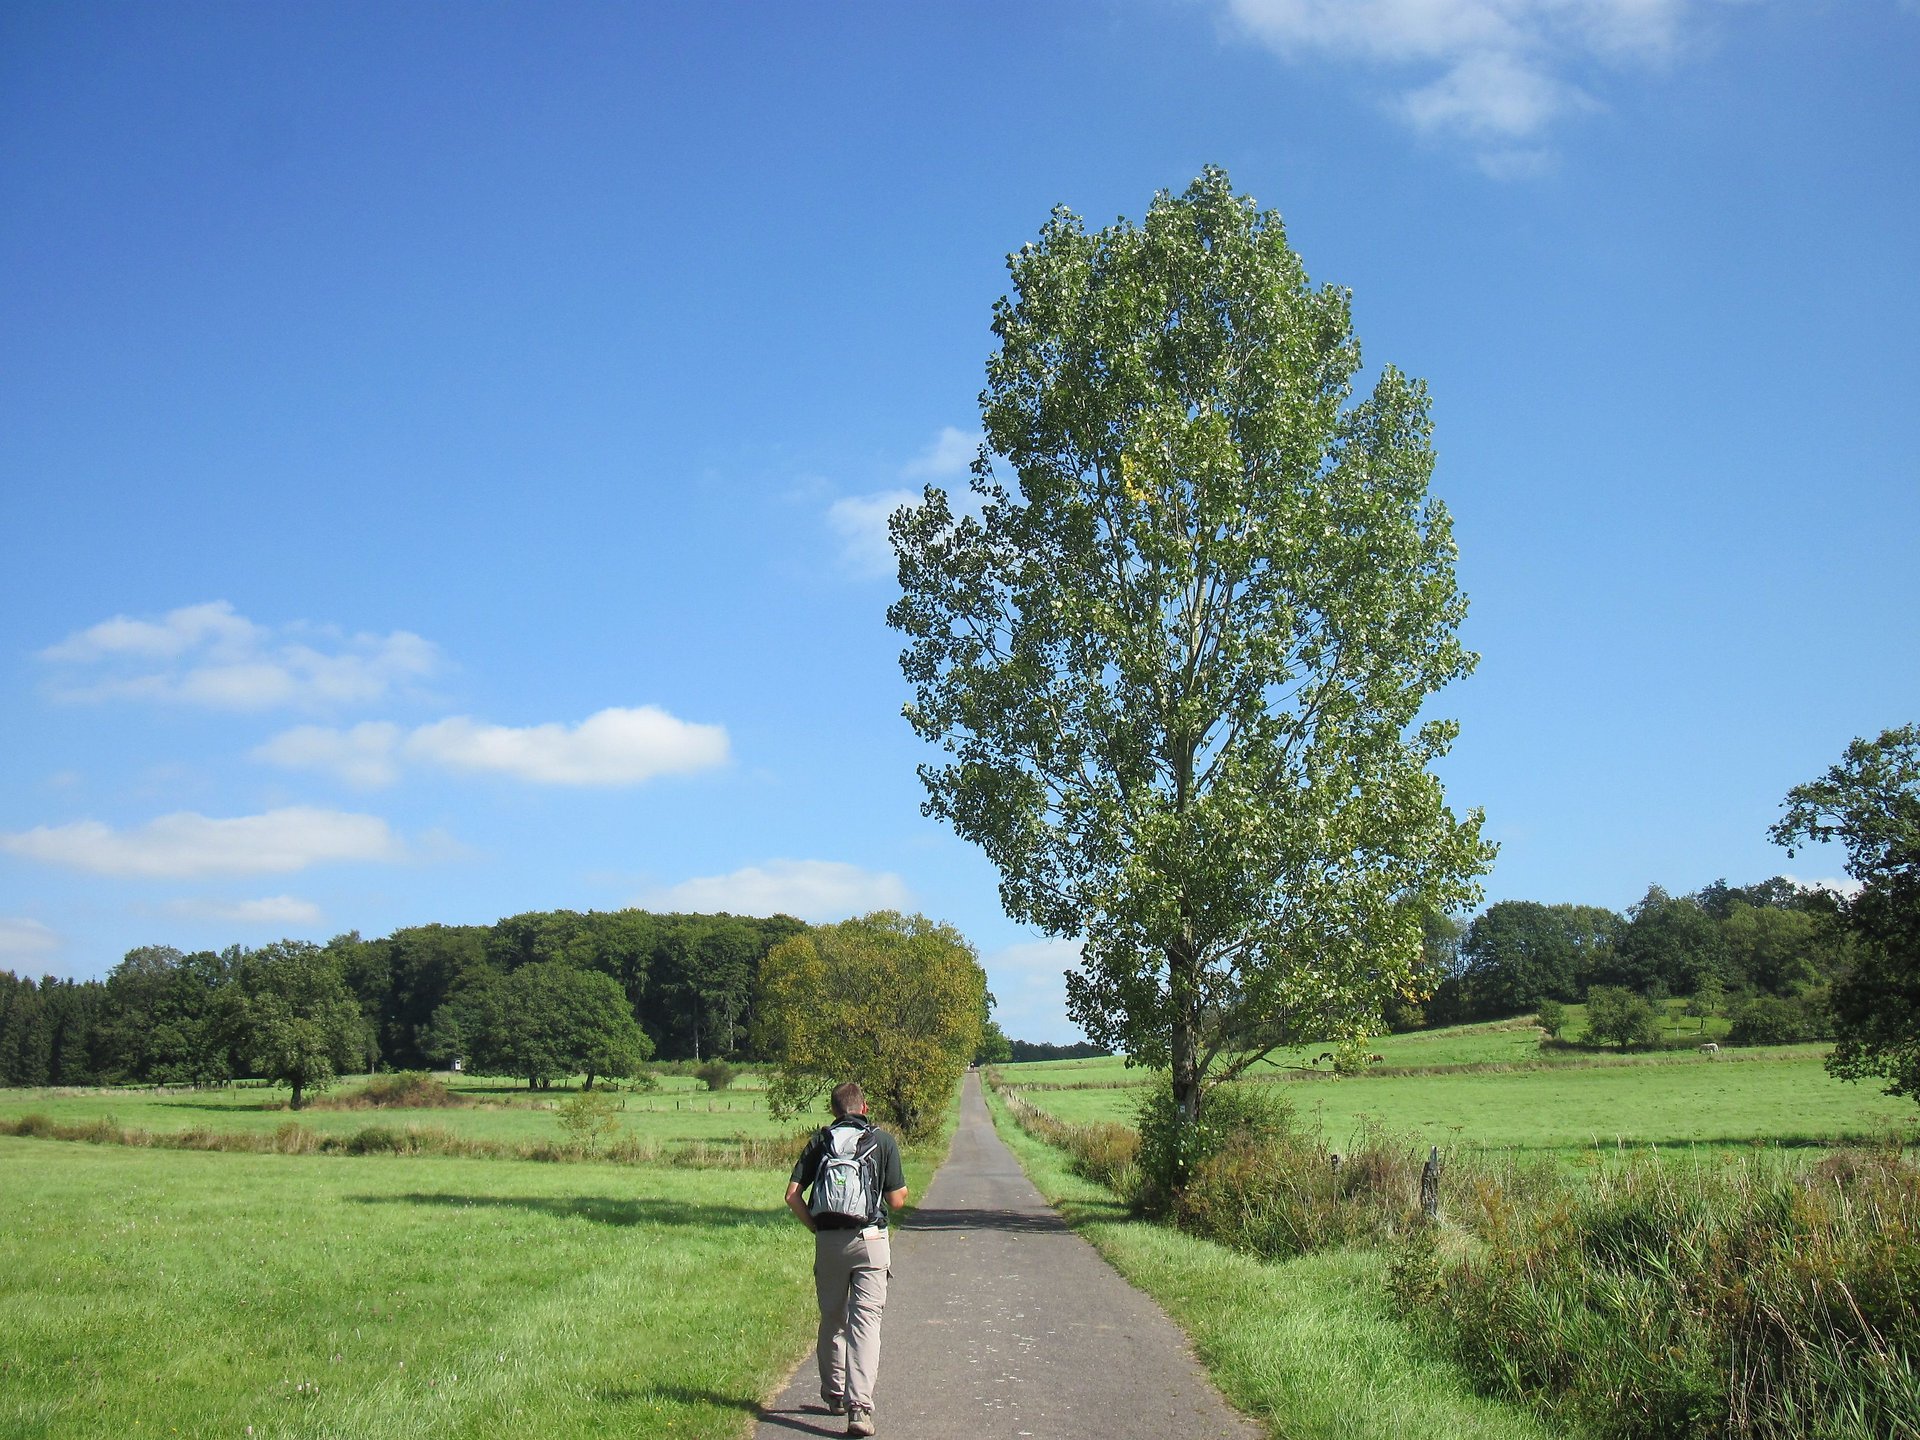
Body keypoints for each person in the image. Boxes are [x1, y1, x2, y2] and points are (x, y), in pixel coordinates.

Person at [784, 1080, 908, 1438]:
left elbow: (793, 1195)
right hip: (870, 1240)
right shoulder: (882, 1140)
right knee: (866, 1323)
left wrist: (817, 1229)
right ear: (864, 1107)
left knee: (833, 1317)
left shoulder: (819, 1142)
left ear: (834, 1110)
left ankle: (834, 1393)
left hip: (829, 1243)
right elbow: (897, 1200)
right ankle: (860, 1409)